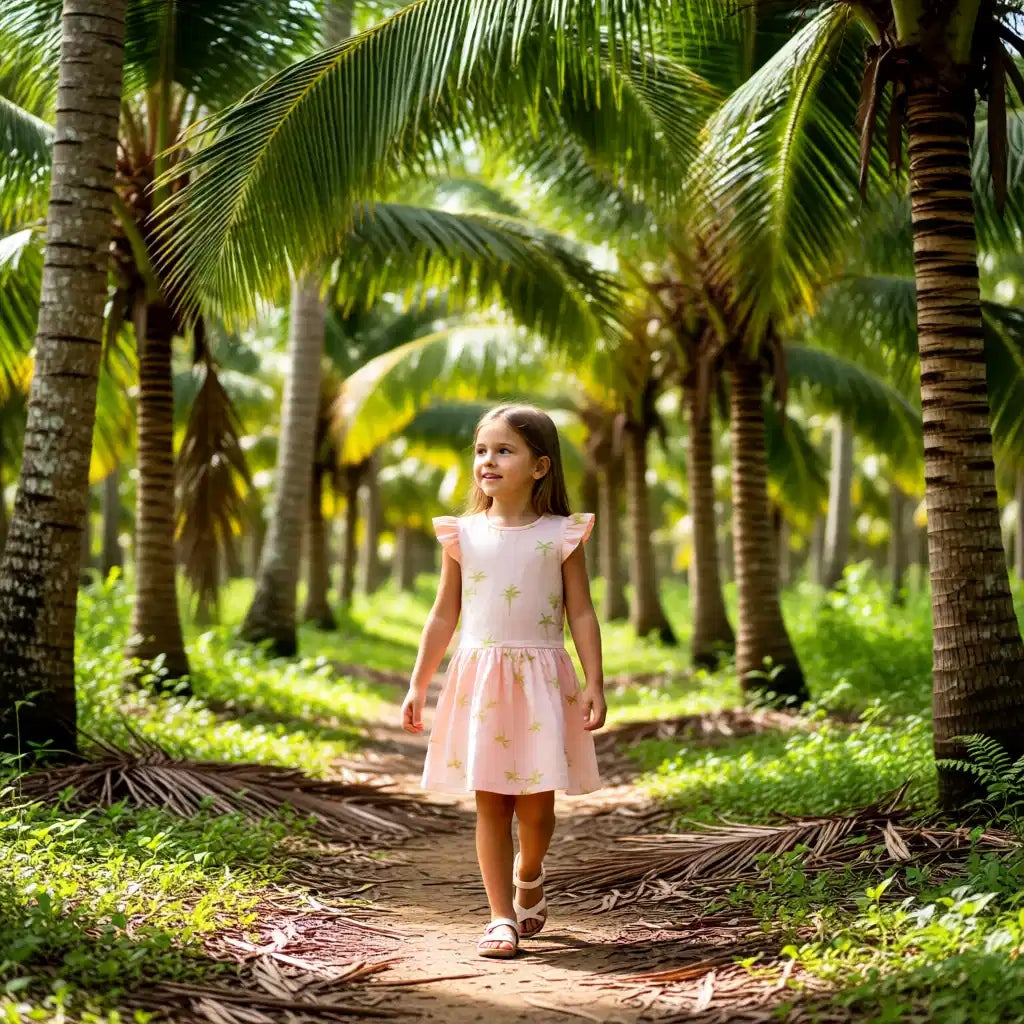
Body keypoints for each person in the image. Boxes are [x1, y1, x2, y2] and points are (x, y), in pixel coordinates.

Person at [402, 404, 607, 959]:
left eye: (503, 450)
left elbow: (582, 613)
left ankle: (530, 872)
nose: (487, 461)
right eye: (481, 450)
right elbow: (444, 615)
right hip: (481, 679)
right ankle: (499, 918)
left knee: (537, 805)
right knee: (490, 802)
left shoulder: (562, 534)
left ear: (540, 467)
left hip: (542, 679)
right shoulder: (461, 534)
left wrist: (595, 682)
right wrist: (419, 683)